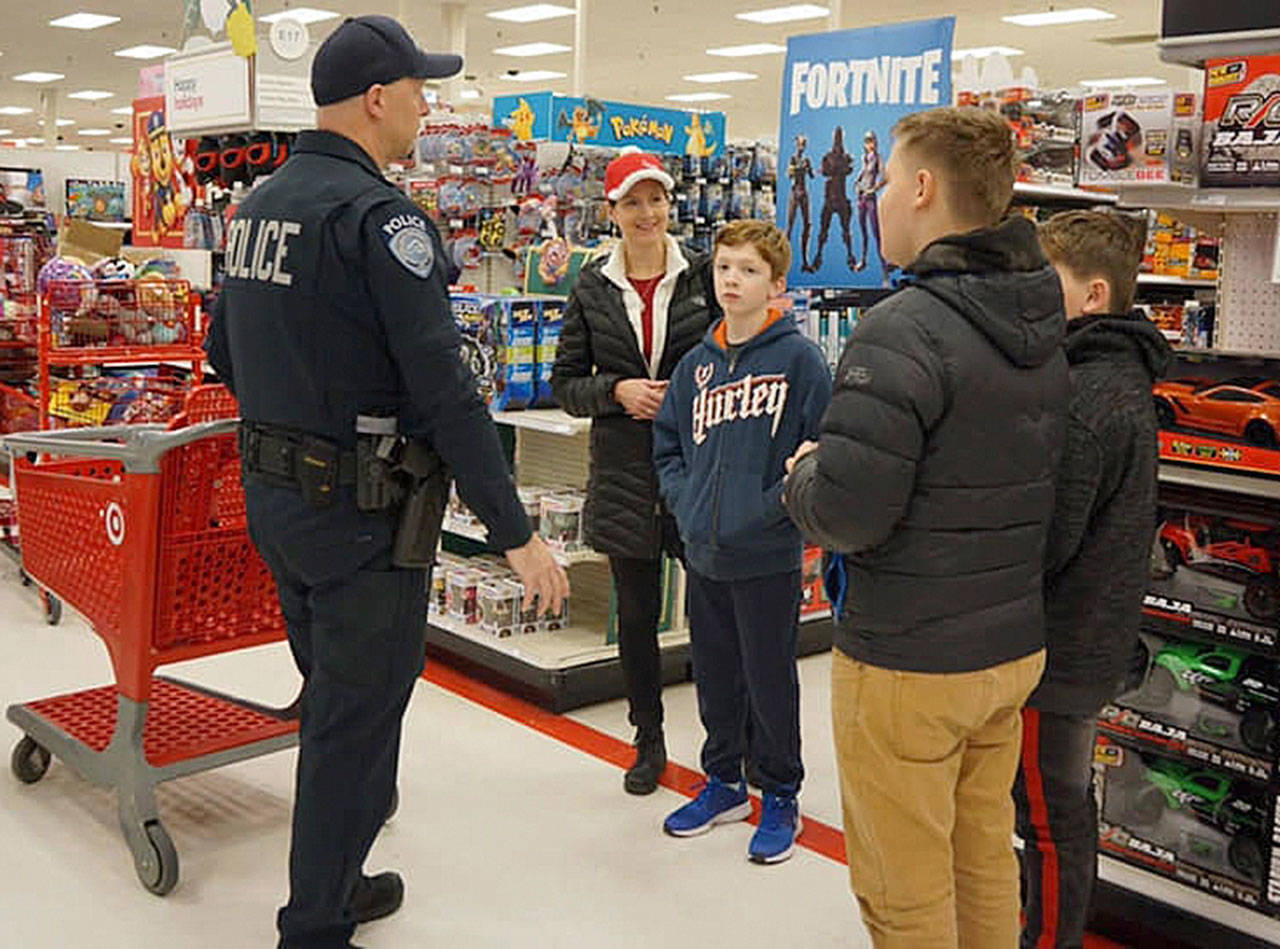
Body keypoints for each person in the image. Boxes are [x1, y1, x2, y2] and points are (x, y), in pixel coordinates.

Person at [203, 16, 568, 949]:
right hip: (362, 517)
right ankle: (313, 923)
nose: (425, 105)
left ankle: (342, 875)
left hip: (278, 502)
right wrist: (514, 531)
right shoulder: (384, 219)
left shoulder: (257, 208)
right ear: (376, 98)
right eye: (418, 90)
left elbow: (223, 351)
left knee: (336, 696)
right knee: (352, 724)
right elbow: (444, 390)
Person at [783, 106, 1068, 946]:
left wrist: (803, 474)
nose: (870, 200)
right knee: (980, 860)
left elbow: (849, 512)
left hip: (910, 657)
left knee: (901, 887)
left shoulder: (903, 328)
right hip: (1007, 646)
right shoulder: (1044, 324)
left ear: (921, 187)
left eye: (881, 183)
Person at [653, 220, 830, 864]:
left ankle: (781, 791)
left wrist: (776, 506)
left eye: (749, 270)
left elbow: (823, 446)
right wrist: (685, 500)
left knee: (769, 677)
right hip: (704, 550)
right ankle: (723, 782)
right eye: (725, 267)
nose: (732, 279)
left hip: (767, 554)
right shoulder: (695, 366)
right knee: (716, 675)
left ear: (777, 285)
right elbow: (668, 442)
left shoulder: (799, 360)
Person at [1017, 210, 1170, 949]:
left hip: (1059, 647)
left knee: (1049, 817)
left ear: (1093, 295)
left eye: (1051, 283)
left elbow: (1049, 540)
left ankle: (1049, 939)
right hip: (1089, 635)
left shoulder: (1085, 397)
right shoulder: (1119, 376)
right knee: (1059, 809)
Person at [551, 149, 717, 795]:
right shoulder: (591, 286)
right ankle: (647, 739)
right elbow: (566, 384)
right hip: (624, 473)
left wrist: (690, 390)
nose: (647, 213)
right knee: (639, 616)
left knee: (714, 613)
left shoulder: (704, 276)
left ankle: (726, 740)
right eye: (633, 202)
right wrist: (617, 390)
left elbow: (735, 357)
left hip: (697, 469)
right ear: (611, 212)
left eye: (656, 200)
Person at [807, 125, 856, 273]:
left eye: (839, 137)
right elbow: (825, 171)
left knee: (846, 231)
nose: (837, 140)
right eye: (836, 137)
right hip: (831, 198)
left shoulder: (845, 158)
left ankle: (850, 257)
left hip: (840, 198)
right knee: (823, 231)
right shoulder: (829, 157)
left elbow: (847, 170)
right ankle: (818, 257)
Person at [853, 130, 884, 273]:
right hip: (861, 197)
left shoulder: (878, 158)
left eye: (872, 141)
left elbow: (884, 178)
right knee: (863, 230)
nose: (870, 144)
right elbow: (862, 174)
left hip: (870, 198)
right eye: (867, 142)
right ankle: (863, 260)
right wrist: (856, 184)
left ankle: (884, 264)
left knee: (875, 231)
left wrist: (874, 189)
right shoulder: (864, 158)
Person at [786, 134, 815, 272]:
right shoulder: (793, 159)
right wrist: (797, 168)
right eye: (800, 144)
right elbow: (789, 175)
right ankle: (784, 261)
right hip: (795, 192)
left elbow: (812, 176)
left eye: (804, 144)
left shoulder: (806, 160)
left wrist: (808, 168)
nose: (802, 147)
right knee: (790, 226)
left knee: (807, 225)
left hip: (804, 193)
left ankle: (805, 260)